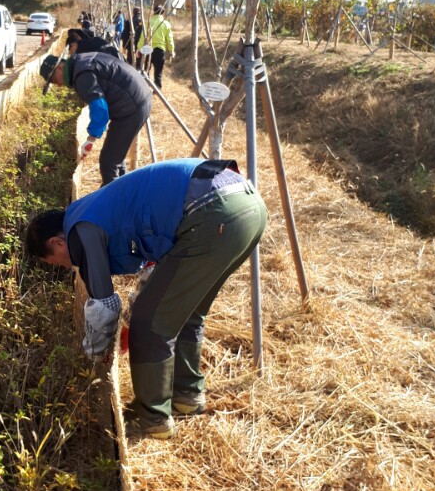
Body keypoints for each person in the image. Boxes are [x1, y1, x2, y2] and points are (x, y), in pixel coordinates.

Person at [25, 158, 267, 439]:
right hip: (248, 206)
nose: (65, 267)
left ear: (57, 242)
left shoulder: (80, 229)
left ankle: (152, 419)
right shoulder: (97, 208)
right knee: (185, 312)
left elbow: (104, 306)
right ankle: (186, 398)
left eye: (56, 262)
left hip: (212, 213)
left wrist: (96, 356)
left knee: (149, 325)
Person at [40, 51, 152, 186]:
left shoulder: (81, 76)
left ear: (59, 67)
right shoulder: (80, 61)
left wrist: (91, 138)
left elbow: (99, 108)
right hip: (136, 97)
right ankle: (122, 194)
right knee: (115, 156)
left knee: (108, 162)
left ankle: (112, 203)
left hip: (132, 105)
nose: (57, 84)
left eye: (53, 80)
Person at [137, 4, 174, 89]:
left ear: (154, 12)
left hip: (147, 50)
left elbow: (143, 36)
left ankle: (145, 87)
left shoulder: (149, 22)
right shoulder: (166, 24)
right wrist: (172, 50)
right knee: (158, 72)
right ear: (163, 13)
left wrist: (139, 48)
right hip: (160, 50)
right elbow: (169, 39)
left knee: (146, 70)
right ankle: (157, 88)